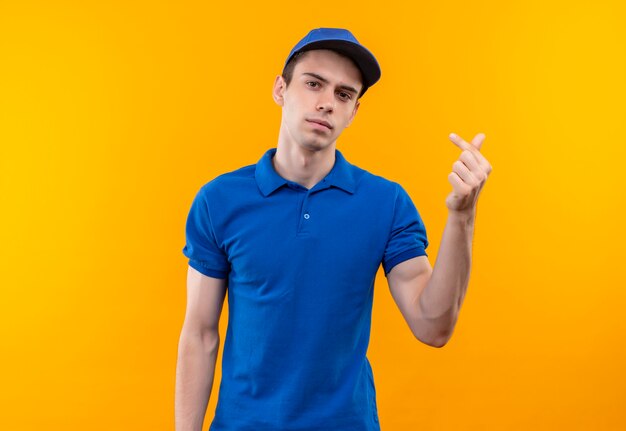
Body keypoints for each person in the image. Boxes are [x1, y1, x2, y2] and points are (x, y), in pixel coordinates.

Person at [175, 28, 492, 431]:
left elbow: (433, 326)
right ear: (280, 89)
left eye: (344, 94)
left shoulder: (386, 203)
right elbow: (200, 335)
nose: (326, 103)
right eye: (313, 84)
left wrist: (462, 216)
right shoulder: (219, 200)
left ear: (354, 111)